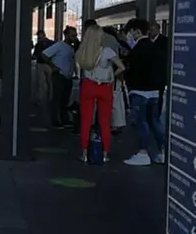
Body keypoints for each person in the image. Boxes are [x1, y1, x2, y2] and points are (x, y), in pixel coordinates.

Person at [75, 25, 125, 163]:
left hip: (88, 86)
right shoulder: (107, 51)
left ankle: (84, 153)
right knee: (104, 121)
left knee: (85, 121)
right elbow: (122, 67)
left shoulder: (82, 52)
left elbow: (80, 72)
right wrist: (112, 75)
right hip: (104, 87)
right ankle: (104, 154)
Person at [123, 18, 166, 166]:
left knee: (141, 123)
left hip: (139, 91)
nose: (129, 35)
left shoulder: (138, 49)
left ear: (136, 31)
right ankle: (162, 152)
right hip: (154, 91)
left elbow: (134, 71)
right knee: (154, 122)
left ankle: (143, 153)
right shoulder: (154, 47)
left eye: (130, 31)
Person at [42, 26, 78, 128]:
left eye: (75, 36)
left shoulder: (72, 47)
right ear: (66, 35)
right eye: (72, 36)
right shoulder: (59, 46)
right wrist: (53, 67)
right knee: (57, 98)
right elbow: (44, 55)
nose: (74, 38)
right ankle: (55, 120)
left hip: (68, 76)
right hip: (59, 75)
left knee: (65, 99)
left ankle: (64, 119)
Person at [149, 21, 169, 118]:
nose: (150, 32)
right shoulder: (147, 40)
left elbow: (164, 58)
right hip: (149, 74)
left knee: (159, 95)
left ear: (158, 29)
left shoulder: (165, 41)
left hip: (160, 74)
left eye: (152, 30)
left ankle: (157, 114)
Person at [32, 30, 54, 106]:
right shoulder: (51, 43)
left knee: (41, 83)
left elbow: (35, 56)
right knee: (50, 82)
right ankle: (51, 99)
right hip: (49, 64)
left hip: (41, 64)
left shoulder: (38, 45)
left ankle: (40, 100)